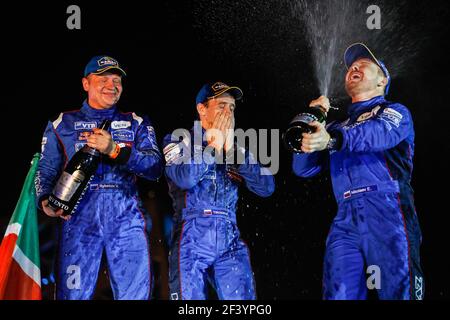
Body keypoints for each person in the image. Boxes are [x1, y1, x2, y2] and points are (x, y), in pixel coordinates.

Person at [292, 43, 424, 300]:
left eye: (364, 64)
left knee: (399, 293)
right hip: (345, 219)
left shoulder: (394, 112)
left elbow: (377, 134)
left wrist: (331, 139)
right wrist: (312, 118)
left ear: (382, 80)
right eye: (352, 65)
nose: (354, 66)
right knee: (338, 294)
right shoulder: (335, 125)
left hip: (388, 211)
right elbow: (303, 169)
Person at [35, 55, 163, 299]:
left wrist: (115, 150)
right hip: (77, 221)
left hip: (126, 220)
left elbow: (155, 167)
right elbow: (46, 169)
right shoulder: (61, 123)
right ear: (86, 84)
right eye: (102, 78)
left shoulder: (135, 122)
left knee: (134, 296)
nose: (111, 85)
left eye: (116, 80)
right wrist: (44, 201)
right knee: (72, 295)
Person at [163, 82, 275, 300]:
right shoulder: (180, 138)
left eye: (232, 108)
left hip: (229, 236)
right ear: (202, 109)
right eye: (222, 106)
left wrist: (232, 151)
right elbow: (184, 178)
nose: (228, 113)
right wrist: (213, 148)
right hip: (190, 236)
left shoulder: (236, 147)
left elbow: (266, 188)